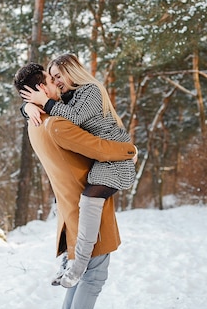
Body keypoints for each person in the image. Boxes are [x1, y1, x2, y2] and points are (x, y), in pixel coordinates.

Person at [13, 62, 137, 309]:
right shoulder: (56, 124)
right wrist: (129, 151)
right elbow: (99, 148)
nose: (58, 86)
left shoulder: (36, 122)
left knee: (79, 277)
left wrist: (28, 107)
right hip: (86, 211)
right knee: (92, 278)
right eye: (51, 82)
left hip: (71, 210)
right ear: (41, 89)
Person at [20, 53, 136, 288]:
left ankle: (78, 264)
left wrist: (44, 102)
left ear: (71, 71)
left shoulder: (90, 90)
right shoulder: (67, 96)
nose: (56, 81)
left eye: (58, 75)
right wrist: (27, 106)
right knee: (77, 202)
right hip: (102, 158)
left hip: (116, 157)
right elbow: (53, 106)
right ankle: (71, 258)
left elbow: (73, 118)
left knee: (89, 199)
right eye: (52, 77)